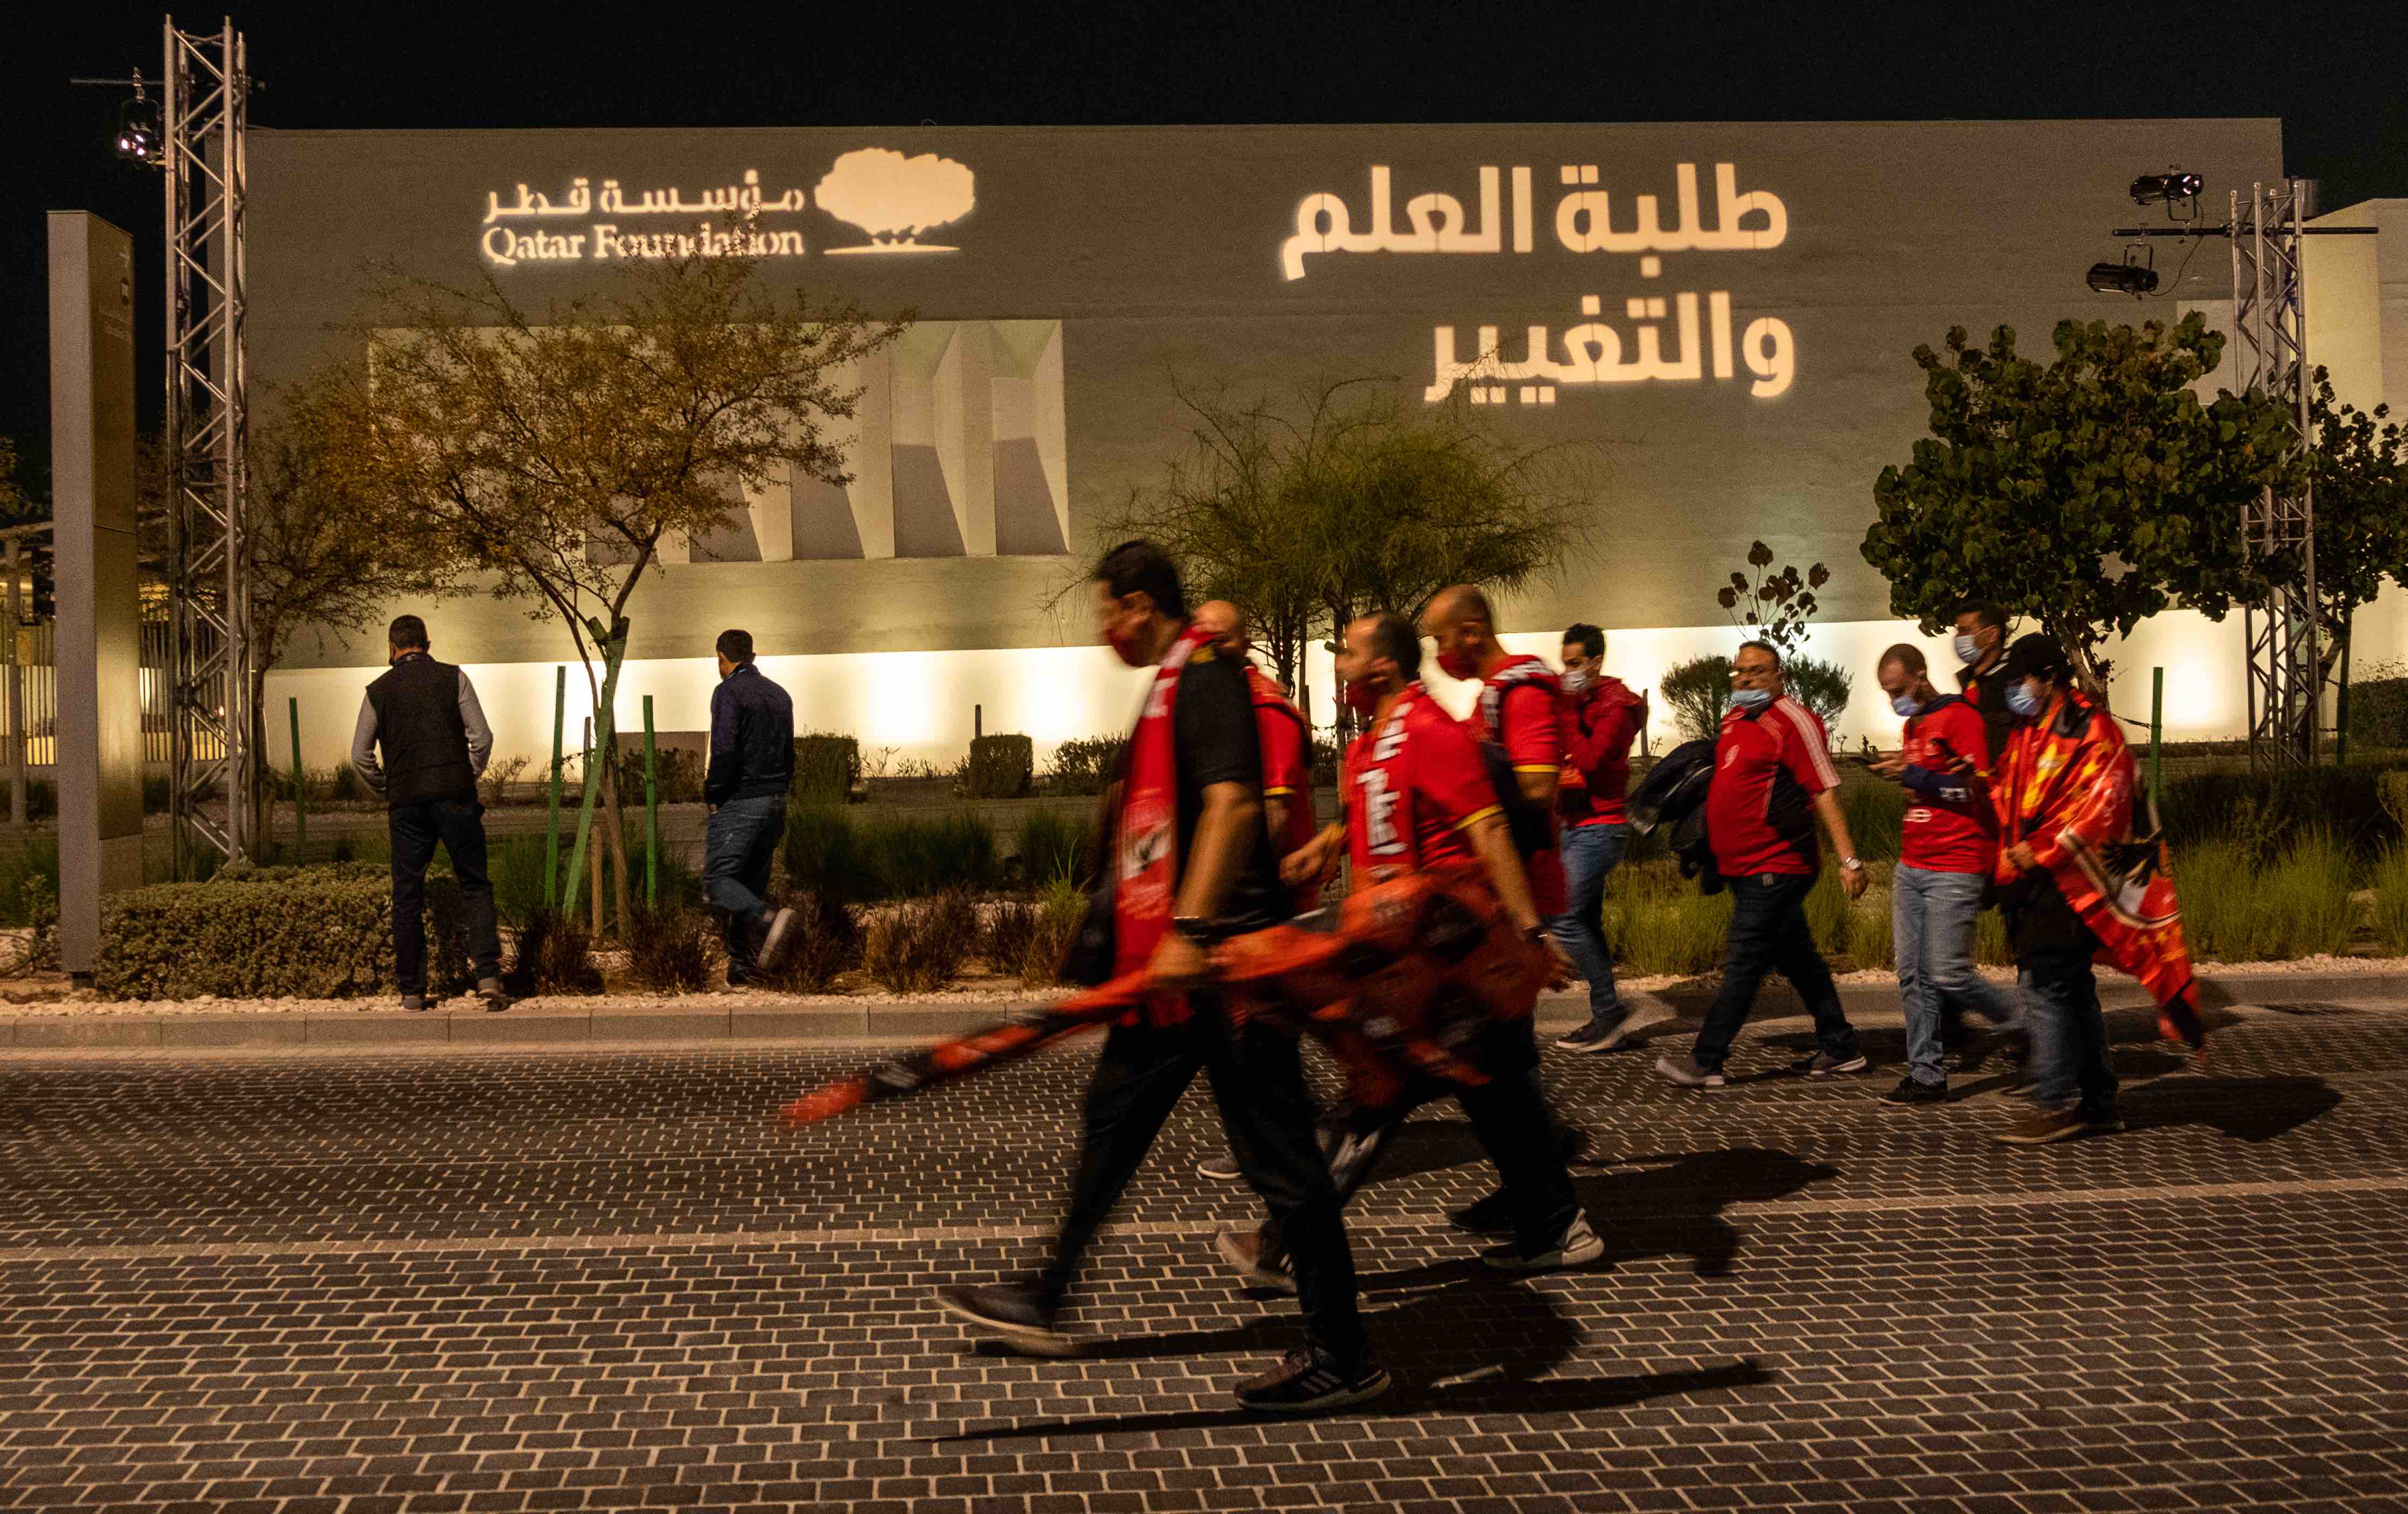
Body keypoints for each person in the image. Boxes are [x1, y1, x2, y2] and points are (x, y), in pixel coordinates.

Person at [937, 540, 1386, 1416]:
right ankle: (1045, 1292)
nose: (1104, 629)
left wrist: (1186, 927)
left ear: (1140, 604)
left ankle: (1345, 1357)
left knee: (1283, 1165)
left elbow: (1226, 800)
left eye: (1107, 611)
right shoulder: (1174, 682)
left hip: (1224, 971)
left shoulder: (1208, 676)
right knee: (1110, 1117)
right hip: (1173, 977)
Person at [1219, 611, 1599, 1283]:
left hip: (1446, 966)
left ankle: (1287, 1246)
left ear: (1381, 669)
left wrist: (1532, 935)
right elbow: (1374, 811)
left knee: (1377, 1098)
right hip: (1406, 963)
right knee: (1499, 1096)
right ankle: (1555, 1225)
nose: (1335, 664)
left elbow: (1488, 836)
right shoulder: (1374, 743)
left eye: (1345, 653)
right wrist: (1325, 846)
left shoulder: (1430, 732)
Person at [1987, 633, 2204, 1144]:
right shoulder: (2030, 729)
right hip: (2038, 884)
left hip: (2075, 881)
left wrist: (2043, 850)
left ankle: (2055, 1100)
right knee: (2073, 990)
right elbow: (2012, 790)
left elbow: (2106, 800)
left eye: (2021, 681)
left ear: (2048, 680)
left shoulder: (2092, 729)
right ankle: (2099, 1102)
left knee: (2047, 987)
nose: (2015, 691)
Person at [1421, 585, 1587, 1230]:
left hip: (1517, 894)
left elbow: (1536, 783)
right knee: (1499, 1060)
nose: (1439, 653)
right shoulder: (1494, 694)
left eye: (1440, 639)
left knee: (1499, 1061)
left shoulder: (1520, 693)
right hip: (1497, 895)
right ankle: (1536, 1188)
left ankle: (1547, 1201)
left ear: (1469, 632)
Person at [1655, 640, 1870, 1090]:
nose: (1746, 679)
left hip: (1777, 864)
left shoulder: (1794, 721)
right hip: (1742, 866)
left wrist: (1849, 860)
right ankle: (1840, 1045)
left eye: (1756, 671)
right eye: (1739, 672)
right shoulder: (1734, 720)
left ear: (1779, 675)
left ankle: (1707, 1059)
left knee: (1744, 962)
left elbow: (1824, 789)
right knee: (1799, 960)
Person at [1190, 600, 1321, 1185]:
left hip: (1266, 901)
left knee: (1255, 1032)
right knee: (1252, 1033)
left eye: (1215, 639)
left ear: (1241, 644)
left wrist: (1222, 893)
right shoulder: (1227, 703)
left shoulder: (1264, 710)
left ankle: (1273, 1149)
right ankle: (1275, 1138)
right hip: (1248, 899)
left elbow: (1268, 816)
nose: (1201, 648)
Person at [1869, 643, 2023, 1105]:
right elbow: (1923, 788)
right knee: (1912, 976)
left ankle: (2027, 1026)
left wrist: (1914, 776)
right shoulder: (1912, 725)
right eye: (1886, 692)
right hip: (1912, 863)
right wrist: (1904, 774)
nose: (1893, 699)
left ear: (1919, 677)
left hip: (1955, 864)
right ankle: (1926, 1074)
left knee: (1950, 974)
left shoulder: (1962, 718)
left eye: (1897, 689)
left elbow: (1976, 790)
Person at [350, 614, 508, 1013]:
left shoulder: (377, 691)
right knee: (474, 883)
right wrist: (466, 774)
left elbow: (360, 756)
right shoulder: (454, 678)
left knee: (407, 894)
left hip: (407, 805)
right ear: (428, 643)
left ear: (392, 649)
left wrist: (389, 787)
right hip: (455, 797)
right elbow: (482, 738)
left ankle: (412, 991)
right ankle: (488, 976)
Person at [1551, 622, 1648, 1052]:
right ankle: (1605, 1015)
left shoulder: (1616, 707)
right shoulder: (1585, 699)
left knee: (1566, 919)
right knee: (1586, 921)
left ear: (1595, 661)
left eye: (1574, 663)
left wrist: (1568, 711)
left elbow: (1588, 759)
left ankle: (1609, 1012)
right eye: (1564, 663)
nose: (1567, 671)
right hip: (1572, 826)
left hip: (1600, 828)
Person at [703, 629, 797, 988]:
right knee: (748, 888)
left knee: (719, 881)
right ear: (752, 655)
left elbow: (725, 751)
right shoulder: (780, 694)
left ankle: (769, 919)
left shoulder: (728, 692)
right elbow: (790, 753)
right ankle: (741, 968)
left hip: (741, 801)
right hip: (776, 802)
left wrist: (714, 794)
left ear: (722, 658)